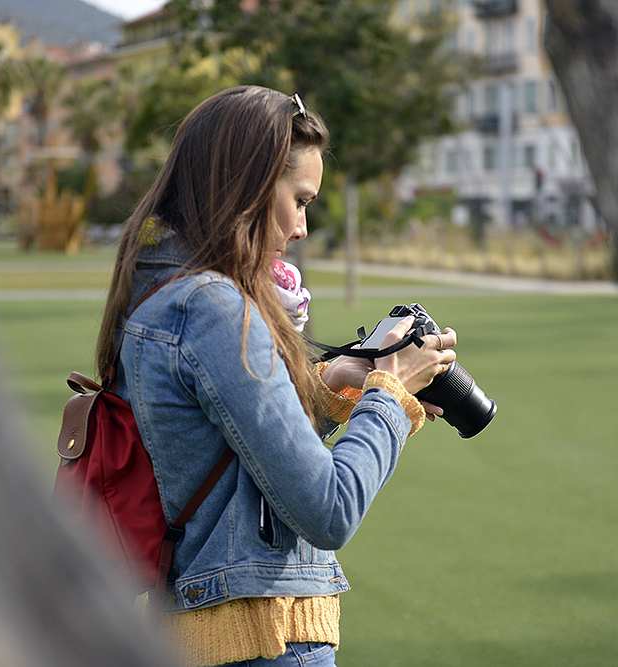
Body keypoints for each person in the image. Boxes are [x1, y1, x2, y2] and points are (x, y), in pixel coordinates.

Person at [95, 85, 457, 667]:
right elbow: (327, 509)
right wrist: (389, 394)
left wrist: (332, 379)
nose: (303, 227)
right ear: (250, 188)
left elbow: (222, 437)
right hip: (263, 637)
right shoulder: (213, 308)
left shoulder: (161, 289)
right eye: (301, 200)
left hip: (203, 624)